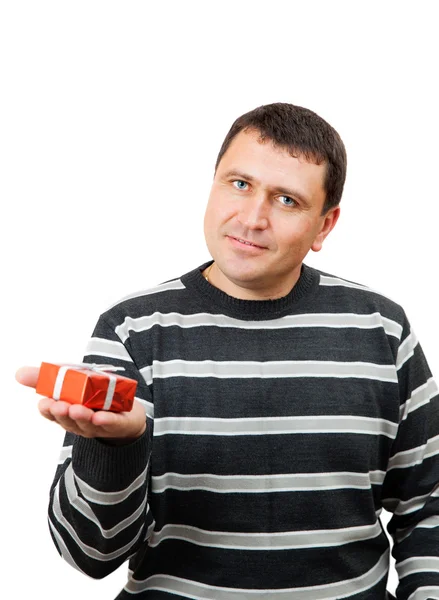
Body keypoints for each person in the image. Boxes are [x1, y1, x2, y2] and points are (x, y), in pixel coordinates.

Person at [17, 103, 439, 600]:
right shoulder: (132, 328)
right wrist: (114, 449)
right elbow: (88, 555)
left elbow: (427, 505)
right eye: (239, 184)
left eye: (286, 199)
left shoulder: (381, 328)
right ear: (213, 184)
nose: (252, 218)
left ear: (325, 225)